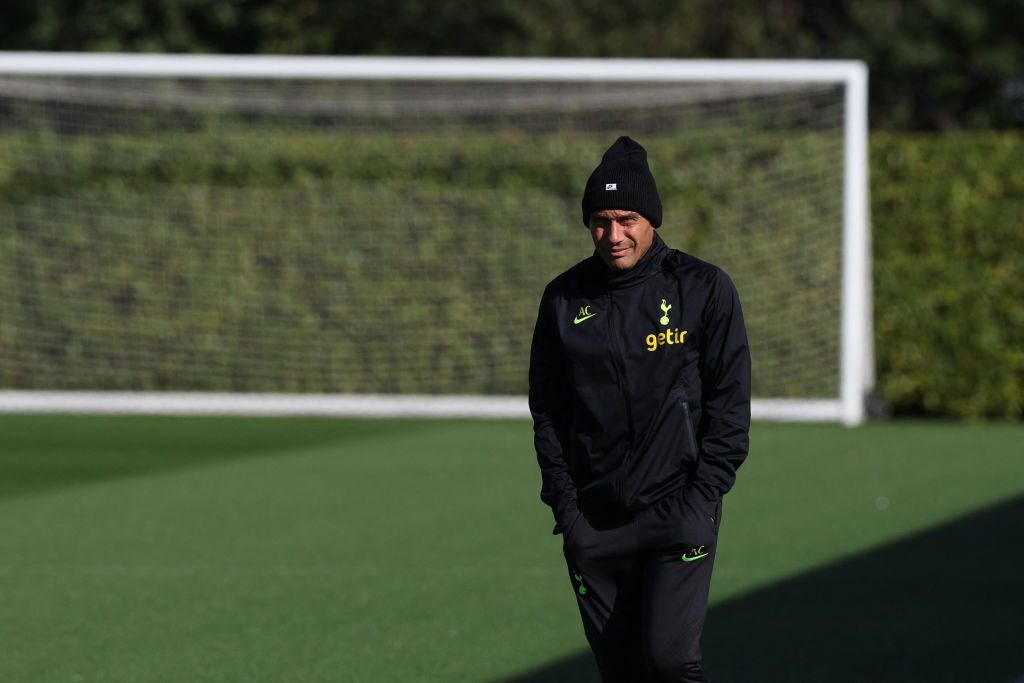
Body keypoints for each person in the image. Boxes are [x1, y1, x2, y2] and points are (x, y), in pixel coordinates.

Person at [528, 136, 751, 682]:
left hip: (678, 510)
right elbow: (549, 412)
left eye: (626, 218)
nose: (613, 235)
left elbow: (729, 401)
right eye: (600, 221)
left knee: (670, 662)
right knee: (622, 672)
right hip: (594, 523)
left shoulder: (703, 288)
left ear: (649, 217)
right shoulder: (563, 299)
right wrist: (568, 512)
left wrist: (703, 496)